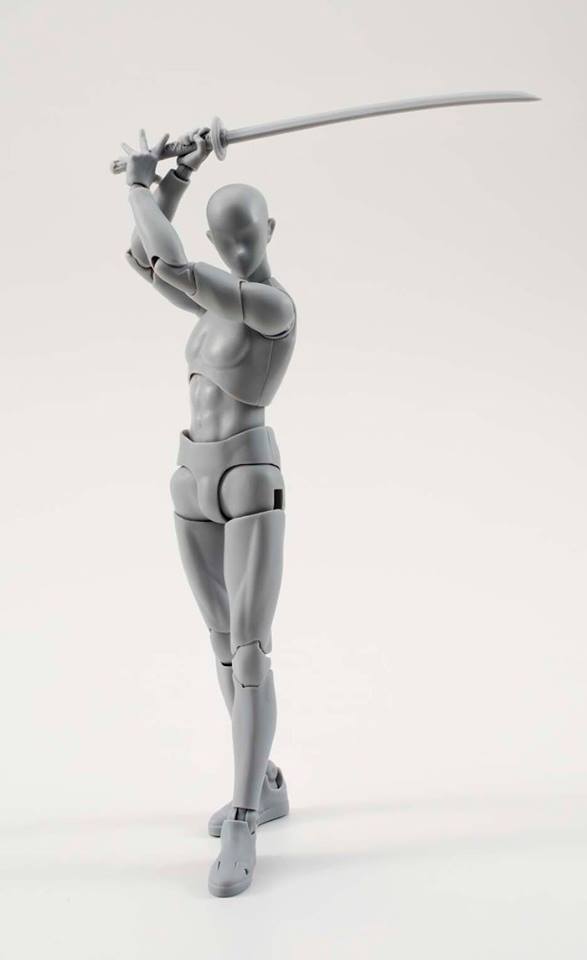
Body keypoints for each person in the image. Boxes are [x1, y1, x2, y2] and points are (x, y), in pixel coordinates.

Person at [122, 128, 296, 897]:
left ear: (268, 230)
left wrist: (140, 184)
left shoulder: (271, 305)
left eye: (246, 235)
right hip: (192, 477)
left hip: (248, 478)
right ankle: (267, 781)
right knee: (223, 648)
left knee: (250, 652)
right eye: (224, 240)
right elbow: (146, 260)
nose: (235, 250)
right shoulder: (208, 306)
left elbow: (172, 264)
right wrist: (175, 177)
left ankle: (243, 817)